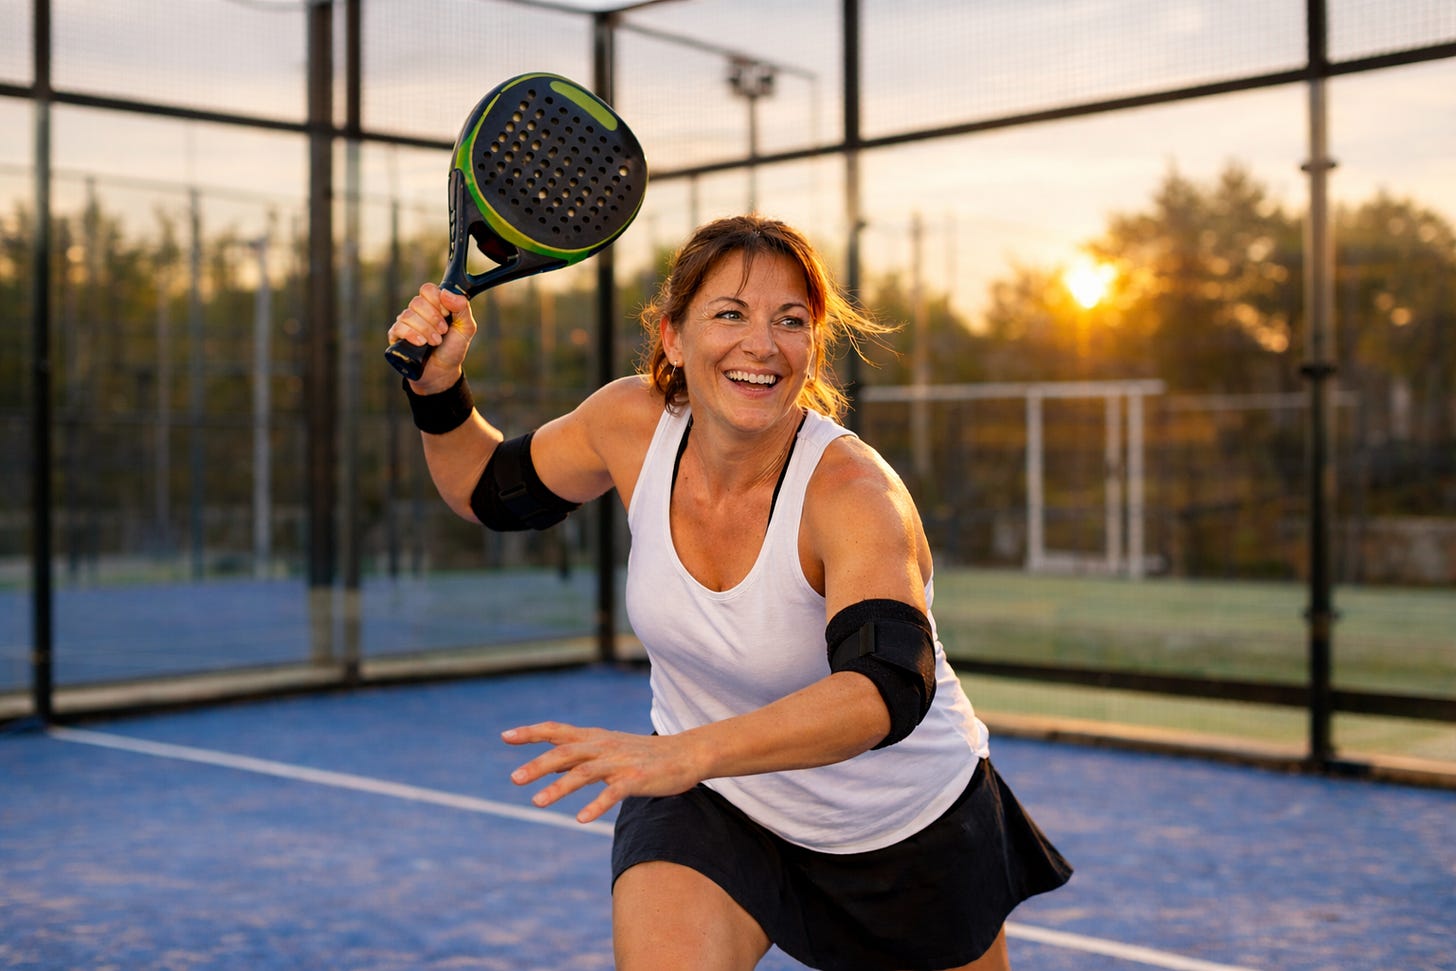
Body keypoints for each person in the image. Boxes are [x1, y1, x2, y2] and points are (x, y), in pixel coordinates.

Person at [387, 214, 1072, 971]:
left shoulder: (852, 491)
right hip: (714, 805)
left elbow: (886, 685)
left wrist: (686, 753)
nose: (762, 344)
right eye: (730, 313)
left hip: (902, 825)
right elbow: (488, 489)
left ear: (810, 347)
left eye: (790, 320)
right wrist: (438, 387)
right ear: (674, 337)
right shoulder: (629, 423)